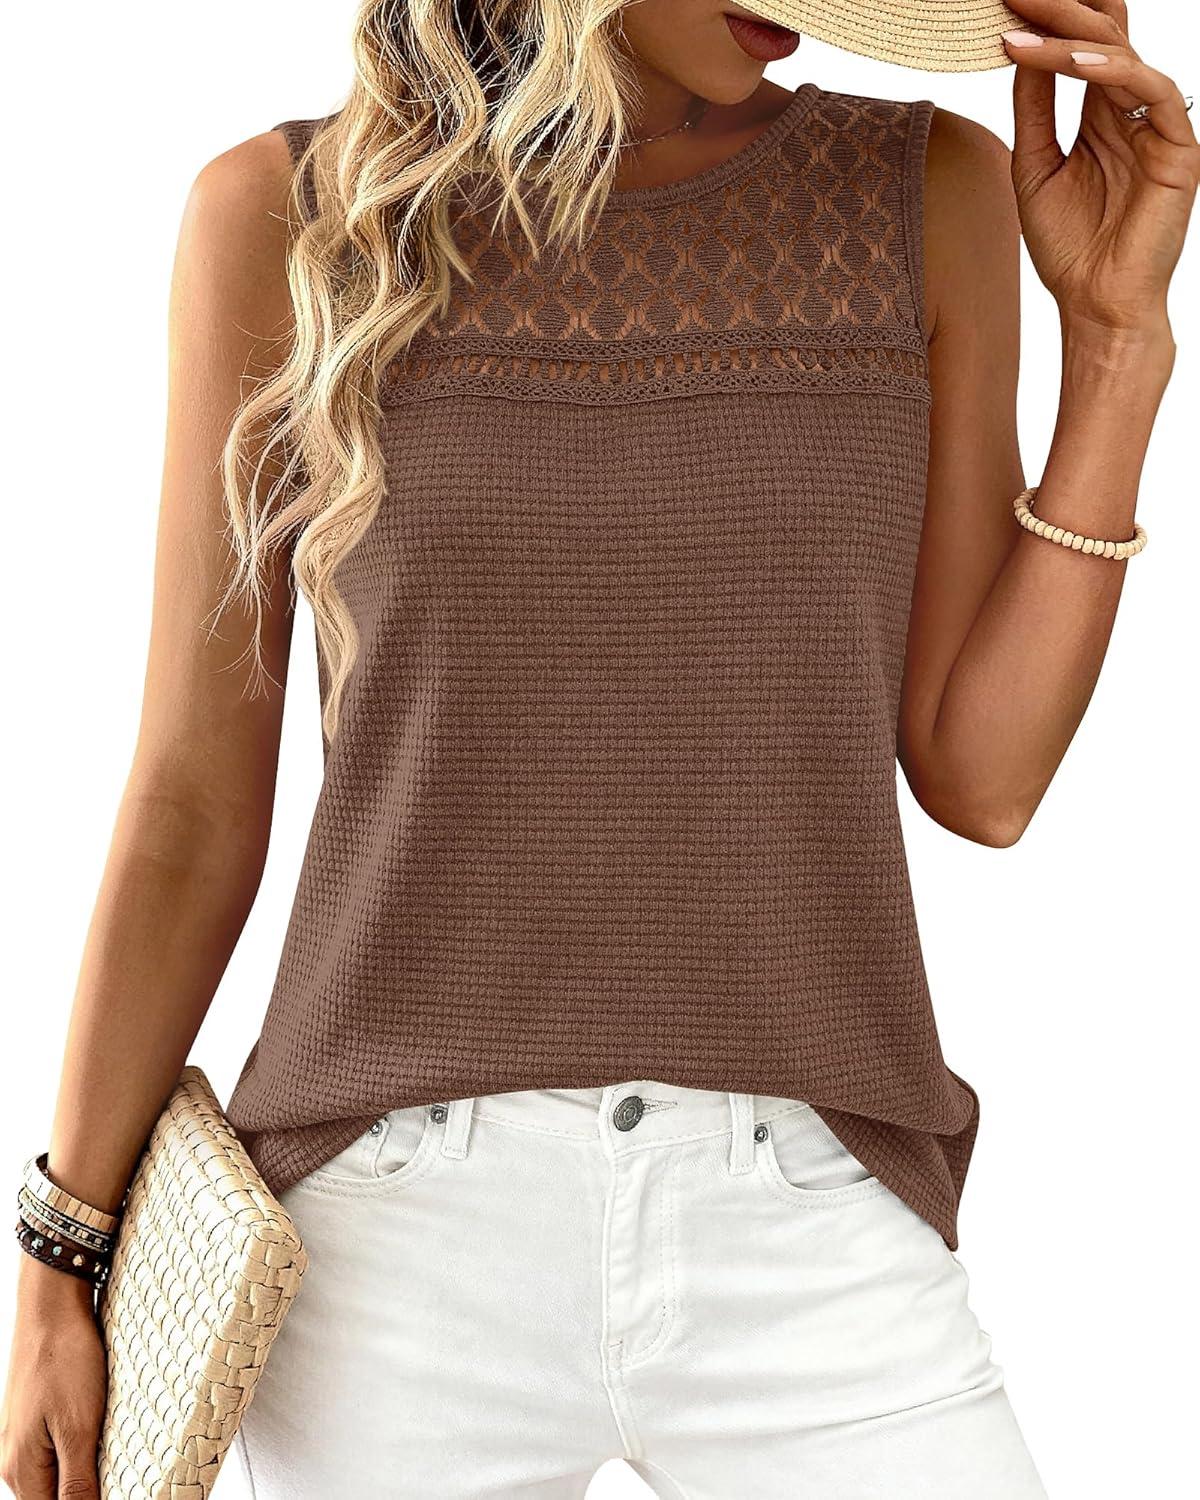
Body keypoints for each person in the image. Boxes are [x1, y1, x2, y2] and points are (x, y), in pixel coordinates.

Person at [2, 0, 1195, 1496]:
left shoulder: (922, 191)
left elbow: (984, 777)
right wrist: (59, 1254)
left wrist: (1118, 341)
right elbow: (191, 801)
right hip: (395, 1244)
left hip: (808, 1207)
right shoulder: (285, 217)